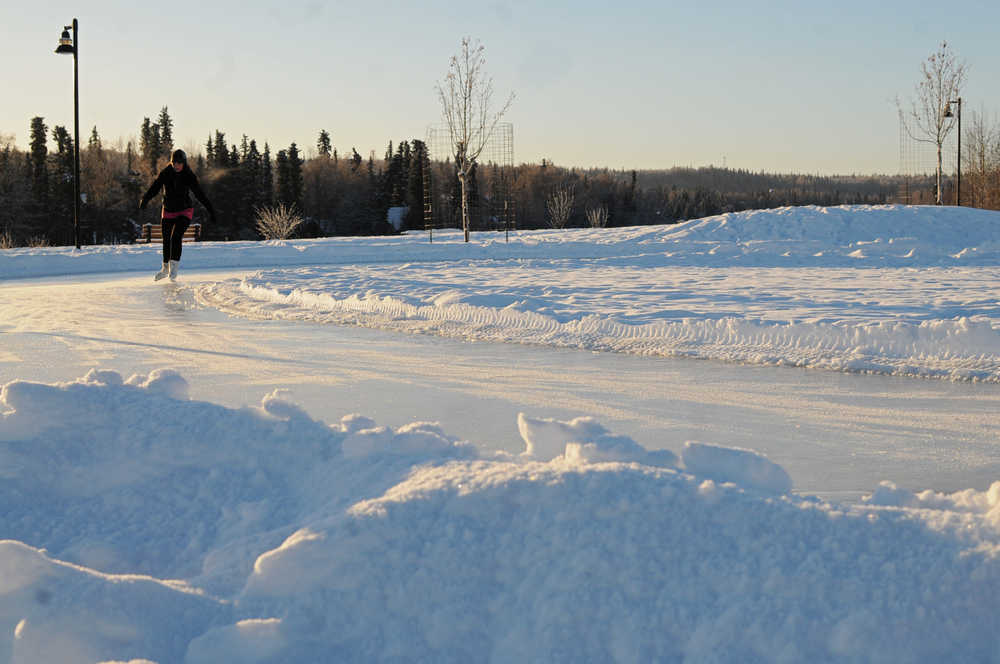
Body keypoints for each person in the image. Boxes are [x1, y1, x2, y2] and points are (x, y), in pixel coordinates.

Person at [139, 149, 215, 281]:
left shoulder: (188, 175)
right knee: (166, 239)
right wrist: (145, 199)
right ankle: (165, 269)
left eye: (179, 163)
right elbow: (155, 187)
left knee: (176, 237)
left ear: (184, 163)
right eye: (174, 163)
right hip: (168, 210)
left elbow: (199, 194)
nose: (177, 166)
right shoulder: (166, 173)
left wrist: (211, 210)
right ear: (171, 162)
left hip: (184, 210)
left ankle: (173, 269)